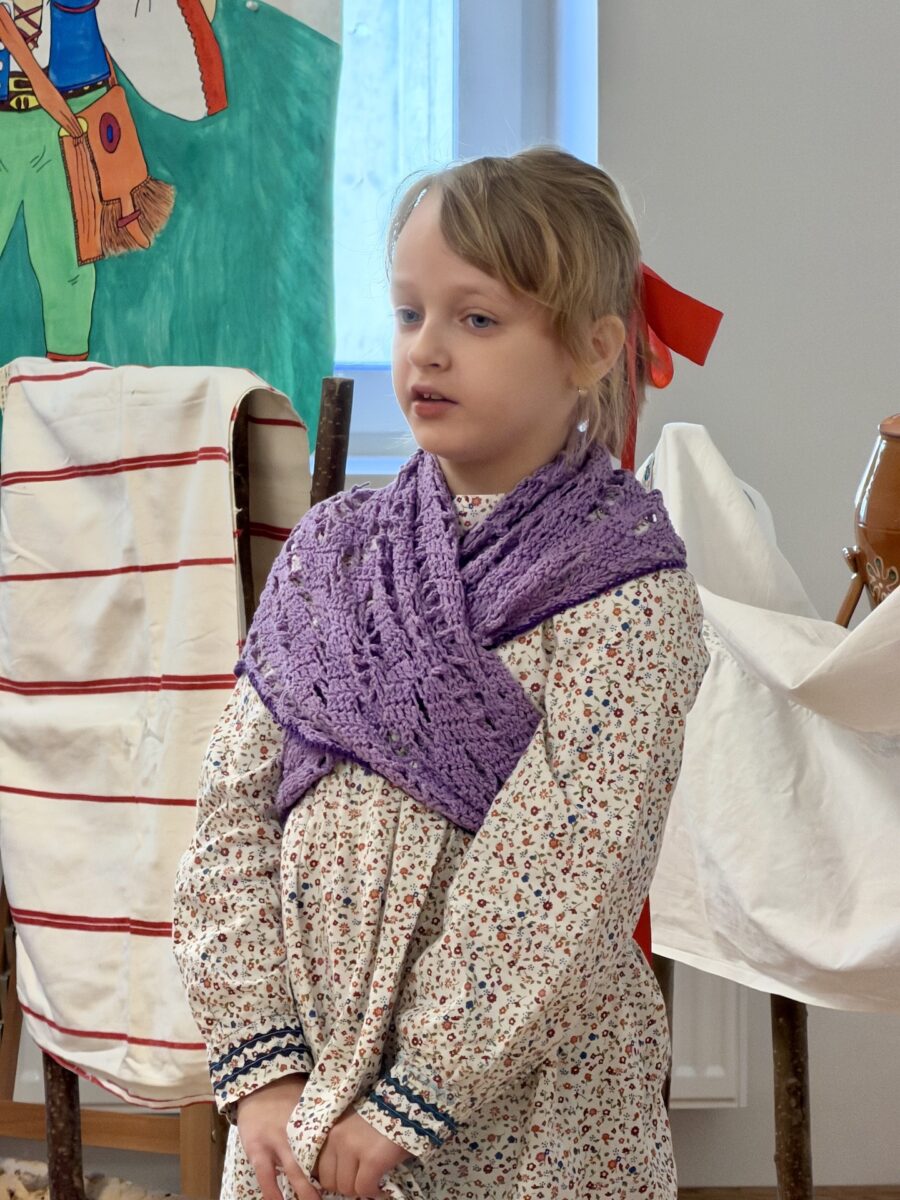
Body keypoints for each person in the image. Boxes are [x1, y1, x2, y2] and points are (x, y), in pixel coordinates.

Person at [173, 146, 710, 1200]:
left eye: (477, 318)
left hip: (534, 1110)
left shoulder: (625, 588)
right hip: (307, 1095)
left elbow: (571, 865)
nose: (428, 348)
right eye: (410, 312)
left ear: (593, 348)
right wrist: (264, 1068)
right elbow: (231, 814)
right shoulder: (331, 552)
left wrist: (419, 1091)